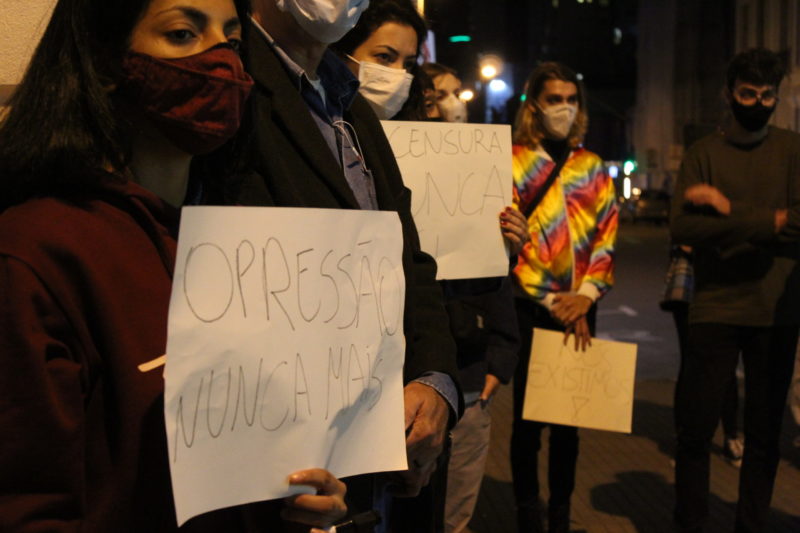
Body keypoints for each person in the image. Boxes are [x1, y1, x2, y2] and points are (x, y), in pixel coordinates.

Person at [0, 1, 348, 531]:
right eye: (184, 34)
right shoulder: (35, 253)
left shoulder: (244, 248)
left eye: (231, 41)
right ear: (104, 61)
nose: (223, 64)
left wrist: (293, 499)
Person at [238, 0, 463, 526]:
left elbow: (410, 261)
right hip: (287, 474)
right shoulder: (230, 86)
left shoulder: (351, 107)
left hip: (373, 460)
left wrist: (435, 382)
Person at [670, 48, 800, 533]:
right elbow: (682, 226)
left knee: (765, 436)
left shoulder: (793, 150)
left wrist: (725, 209)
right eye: (749, 93)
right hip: (715, 309)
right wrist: (774, 221)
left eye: (768, 95)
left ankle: (752, 524)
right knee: (695, 430)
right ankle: (692, 523)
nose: (759, 103)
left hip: (776, 313)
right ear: (729, 95)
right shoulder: (705, 152)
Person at [509, 61, 618, 533]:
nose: (564, 109)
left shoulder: (591, 166)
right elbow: (510, 243)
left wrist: (587, 296)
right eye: (554, 99)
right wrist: (554, 300)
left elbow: (606, 235)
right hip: (532, 309)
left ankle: (561, 515)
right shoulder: (512, 162)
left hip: (583, 309)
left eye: (571, 100)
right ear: (534, 105)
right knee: (528, 425)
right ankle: (527, 512)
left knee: (570, 423)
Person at [660, 244, 744, 468]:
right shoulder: (685, 209)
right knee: (691, 364)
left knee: (726, 363)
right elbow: (685, 239)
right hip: (688, 284)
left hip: (725, 288)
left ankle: (731, 435)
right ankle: (685, 441)